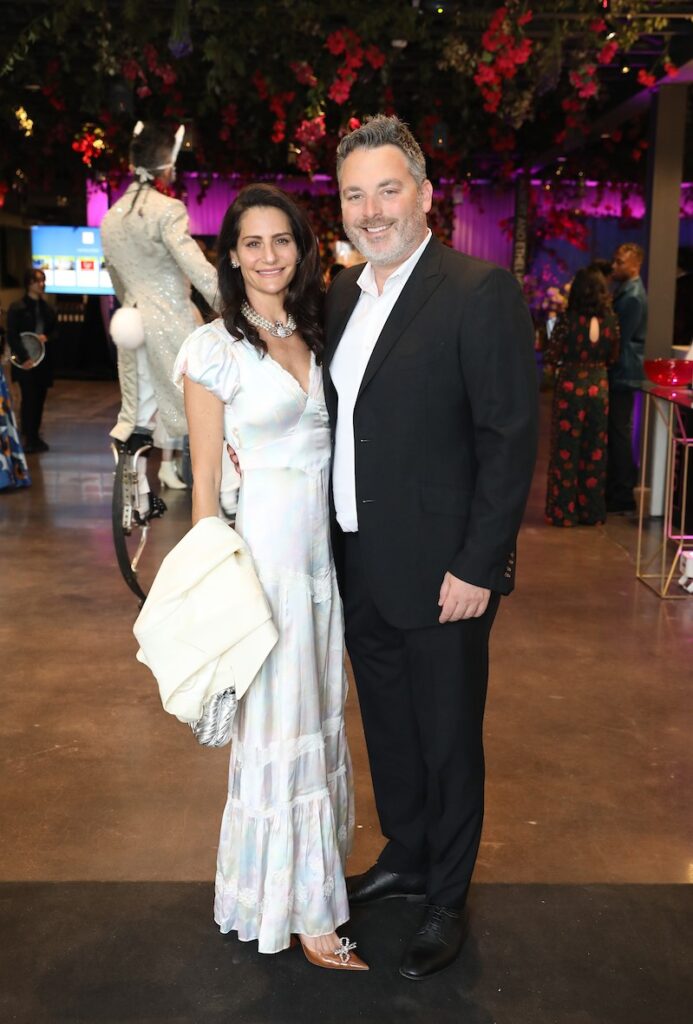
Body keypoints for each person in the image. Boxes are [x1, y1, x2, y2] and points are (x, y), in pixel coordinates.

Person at [323, 115, 538, 980]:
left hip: (444, 572)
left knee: (449, 736)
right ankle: (406, 853)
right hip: (359, 561)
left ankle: (445, 894)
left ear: (422, 194)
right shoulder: (343, 294)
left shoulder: (475, 291)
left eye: (386, 189)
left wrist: (477, 566)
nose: (371, 210)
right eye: (353, 194)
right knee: (390, 729)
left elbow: (508, 437)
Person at [173, 184, 367, 971]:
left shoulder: (317, 331)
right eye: (250, 243)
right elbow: (204, 494)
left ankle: (284, 892)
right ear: (229, 256)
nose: (266, 256)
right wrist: (219, 593)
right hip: (264, 563)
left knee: (316, 715)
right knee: (279, 725)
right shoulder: (214, 347)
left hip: (320, 562)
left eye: (280, 239)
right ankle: (300, 913)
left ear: (302, 247)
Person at [101, 121, 218, 503]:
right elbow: (195, 265)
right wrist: (227, 301)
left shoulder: (111, 217)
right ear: (165, 166)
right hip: (170, 322)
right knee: (205, 407)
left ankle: (136, 496)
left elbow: (117, 279)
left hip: (129, 321)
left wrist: (129, 302)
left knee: (136, 413)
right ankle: (225, 495)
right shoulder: (168, 210)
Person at [544, 268, 620, 527]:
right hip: (599, 386)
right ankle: (592, 511)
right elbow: (613, 356)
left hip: (570, 385)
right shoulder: (611, 321)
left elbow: (551, 354)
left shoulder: (568, 320)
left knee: (566, 450)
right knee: (595, 451)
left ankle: (564, 512)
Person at [606, 243, 647, 514]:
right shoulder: (627, 291)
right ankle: (618, 489)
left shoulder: (632, 296)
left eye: (620, 262)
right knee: (618, 431)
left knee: (619, 432)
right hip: (622, 371)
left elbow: (618, 339)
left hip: (623, 372)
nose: (614, 266)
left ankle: (622, 493)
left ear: (634, 264)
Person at [6, 269, 58, 454]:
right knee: (29, 399)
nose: (41, 284)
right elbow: (12, 336)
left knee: (40, 400)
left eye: (43, 280)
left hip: (42, 362)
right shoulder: (17, 307)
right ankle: (28, 437)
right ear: (29, 283)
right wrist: (24, 358)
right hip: (24, 363)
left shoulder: (48, 309)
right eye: (38, 281)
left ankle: (35, 436)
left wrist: (47, 337)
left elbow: (55, 332)